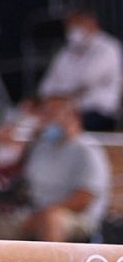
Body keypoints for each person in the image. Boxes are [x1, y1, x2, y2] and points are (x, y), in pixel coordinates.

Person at [19, 95, 110, 242]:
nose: (47, 120)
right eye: (45, 113)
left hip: (76, 217)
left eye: (53, 114)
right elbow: (26, 184)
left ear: (73, 117)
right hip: (34, 211)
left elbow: (85, 197)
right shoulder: (42, 147)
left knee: (50, 220)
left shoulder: (86, 149)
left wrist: (46, 211)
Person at [36, 7, 122, 131]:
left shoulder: (109, 48)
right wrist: (50, 98)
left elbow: (86, 80)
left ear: (91, 23)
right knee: (32, 123)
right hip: (64, 111)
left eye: (77, 24)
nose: (72, 29)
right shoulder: (66, 51)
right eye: (69, 25)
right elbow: (47, 83)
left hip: (98, 112)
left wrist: (58, 97)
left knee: (59, 127)